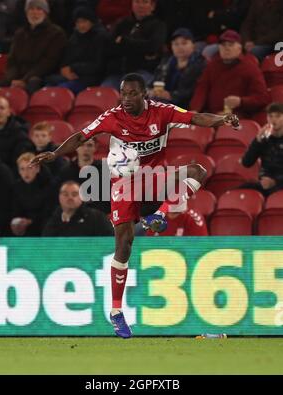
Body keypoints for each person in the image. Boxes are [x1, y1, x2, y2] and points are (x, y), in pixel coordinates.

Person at [30, 72, 240, 339]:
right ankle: (116, 312)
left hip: (153, 179)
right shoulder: (112, 116)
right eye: (123, 93)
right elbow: (81, 136)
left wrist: (222, 119)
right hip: (124, 183)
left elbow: (196, 117)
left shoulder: (163, 112)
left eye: (132, 93)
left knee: (197, 170)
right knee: (124, 242)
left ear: (144, 95)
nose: (126, 98)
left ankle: (160, 215)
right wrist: (55, 153)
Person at [190, 30, 270, 119]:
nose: (226, 48)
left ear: (239, 48)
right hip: (212, 116)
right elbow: (202, 88)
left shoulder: (250, 68)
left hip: (239, 118)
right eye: (223, 45)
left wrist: (241, 101)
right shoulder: (212, 65)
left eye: (230, 45)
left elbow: (263, 98)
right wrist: (195, 109)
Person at [1, 0, 67, 94]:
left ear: (46, 13)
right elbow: (12, 60)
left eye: (39, 9)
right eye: (31, 9)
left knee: (33, 82)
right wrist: (13, 78)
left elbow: (48, 62)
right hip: (18, 76)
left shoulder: (57, 34)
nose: (34, 12)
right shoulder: (20, 34)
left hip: (42, 76)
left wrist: (24, 80)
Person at [102, 0, 167, 89]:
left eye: (145, 2)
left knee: (132, 93)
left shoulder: (158, 26)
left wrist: (125, 42)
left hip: (143, 71)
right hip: (118, 72)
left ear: (152, 6)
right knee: (103, 95)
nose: (140, 5)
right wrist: (140, 47)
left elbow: (152, 47)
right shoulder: (122, 23)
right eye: (137, 2)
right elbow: (110, 46)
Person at [47, 7, 108, 94]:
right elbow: (65, 60)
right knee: (46, 86)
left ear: (91, 22)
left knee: (61, 91)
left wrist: (73, 68)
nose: (81, 25)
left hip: (90, 78)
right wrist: (65, 70)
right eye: (78, 22)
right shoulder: (74, 38)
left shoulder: (101, 37)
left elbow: (98, 65)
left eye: (84, 21)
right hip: (71, 76)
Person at [149, 28, 206, 108]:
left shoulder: (200, 64)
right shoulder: (166, 62)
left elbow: (194, 91)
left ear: (193, 45)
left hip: (185, 105)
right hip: (163, 101)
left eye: (184, 43)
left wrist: (170, 95)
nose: (180, 47)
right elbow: (154, 82)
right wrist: (151, 91)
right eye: (176, 44)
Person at [56, 137, 110, 214]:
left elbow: (107, 200)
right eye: (81, 145)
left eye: (89, 145)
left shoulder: (104, 169)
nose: (85, 149)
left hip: (98, 216)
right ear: (76, 148)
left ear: (95, 148)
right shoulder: (66, 171)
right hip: (73, 215)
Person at [241, 102, 283, 197]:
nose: (273, 120)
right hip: (264, 184)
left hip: (280, 184)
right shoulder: (264, 140)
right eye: (270, 116)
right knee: (237, 193)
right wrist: (257, 140)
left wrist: (275, 181)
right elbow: (246, 163)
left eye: (278, 116)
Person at [42, 181, 114, 236]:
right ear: (59, 197)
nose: (70, 198)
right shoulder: (51, 220)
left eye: (74, 194)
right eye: (65, 194)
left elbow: (109, 241)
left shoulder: (97, 218)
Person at [0, 97, 33, 171]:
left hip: (7, 177)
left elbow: (20, 166)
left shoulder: (20, 135)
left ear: (9, 112)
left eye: (2, 108)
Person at [11, 152, 54, 236]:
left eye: (29, 168)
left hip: (43, 227)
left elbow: (48, 212)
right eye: (22, 169)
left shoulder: (47, 186)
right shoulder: (16, 187)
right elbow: (14, 210)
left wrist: (31, 221)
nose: (26, 172)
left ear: (37, 169)